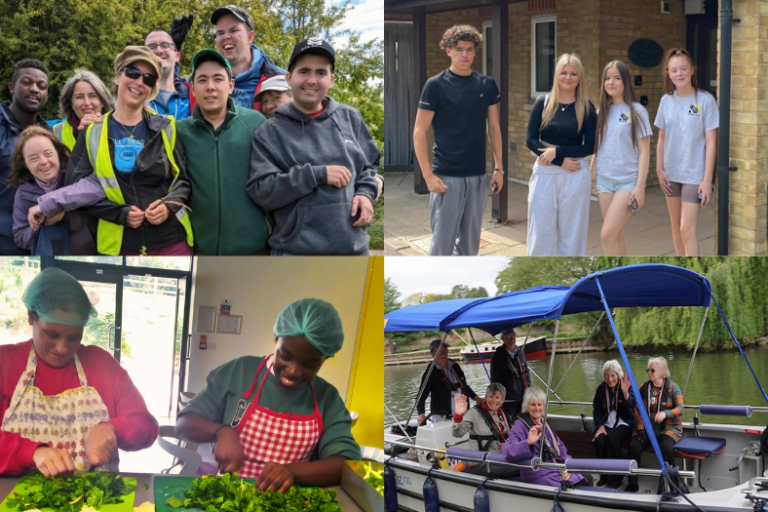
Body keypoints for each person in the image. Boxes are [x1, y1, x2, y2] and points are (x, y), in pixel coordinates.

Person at [175, 298, 359, 492]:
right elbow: (183, 424)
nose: (293, 371)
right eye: (285, 356)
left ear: (326, 358)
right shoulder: (239, 373)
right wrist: (221, 432)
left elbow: (346, 464)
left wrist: (293, 472)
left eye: (310, 364)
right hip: (230, 498)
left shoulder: (327, 398)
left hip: (291, 503)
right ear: (275, 339)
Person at [0, 267, 158, 475]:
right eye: (52, 334)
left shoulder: (101, 365)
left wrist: (112, 429)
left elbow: (146, 426)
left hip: (93, 501)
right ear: (31, 317)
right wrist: (31, 452)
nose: (62, 348)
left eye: (74, 337)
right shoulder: (6, 362)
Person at [247, 38, 380, 256]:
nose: (312, 80)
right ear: (289, 78)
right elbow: (262, 191)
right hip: (294, 254)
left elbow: (369, 166)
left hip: (353, 250)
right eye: (304, 71)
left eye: (320, 72)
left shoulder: (350, 117)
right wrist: (316, 175)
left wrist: (366, 193)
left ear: (331, 79)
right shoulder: (269, 132)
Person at [65, 46, 193, 256]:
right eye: (132, 72)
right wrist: (119, 213)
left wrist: (168, 205)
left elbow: (184, 181)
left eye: (148, 78)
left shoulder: (167, 127)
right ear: (117, 77)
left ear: (152, 89)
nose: (139, 82)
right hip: (119, 247)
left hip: (171, 243)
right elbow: (74, 189)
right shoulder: (92, 132)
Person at [413, 25, 504, 256]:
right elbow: (419, 132)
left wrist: (498, 168)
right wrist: (427, 176)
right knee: (441, 247)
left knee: (470, 246)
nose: (464, 54)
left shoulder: (486, 84)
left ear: (475, 52)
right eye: (459, 49)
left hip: (476, 176)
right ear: (448, 51)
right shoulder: (435, 85)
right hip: (445, 176)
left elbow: (493, 128)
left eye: (470, 49)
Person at [177, 49, 268, 255]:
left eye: (218, 79)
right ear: (192, 88)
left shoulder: (255, 123)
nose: (210, 87)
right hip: (201, 252)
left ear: (231, 85)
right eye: (202, 80)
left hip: (255, 252)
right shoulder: (180, 131)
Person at [525, 53, 597, 256]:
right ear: (557, 75)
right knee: (540, 234)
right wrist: (558, 161)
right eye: (564, 72)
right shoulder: (543, 103)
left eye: (573, 73)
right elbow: (530, 139)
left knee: (572, 235)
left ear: (579, 77)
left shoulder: (587, 108)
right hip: (545, 175)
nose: (568, 77)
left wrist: (559, 152)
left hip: (575, 173)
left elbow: (590, 146)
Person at [654, 48, 718, 256]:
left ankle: (695, 273)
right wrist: (659, 169)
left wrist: (707, 179)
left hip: (694, 175)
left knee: (686, 228)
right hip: (671, 174)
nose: (679, 74)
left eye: (683, 69)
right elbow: (661, 138)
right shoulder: (666, 101)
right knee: (675, 227)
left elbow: (711, 142)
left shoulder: (706, 101)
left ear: (692, 70)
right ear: (668, 74)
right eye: (674, 70)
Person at [8, 126, 105, 255]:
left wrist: (51, 203)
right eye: (34, 158)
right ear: (25, 163)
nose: (43, 161)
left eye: (48, 154)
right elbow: (20, 237)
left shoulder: (76, 176)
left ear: (58, 154)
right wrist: (48, 222)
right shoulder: (23, 194)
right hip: (53, 260)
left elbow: (100, 187)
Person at [590, 60, 652, 256]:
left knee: (606, 235)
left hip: (628, 182)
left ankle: (615, 279)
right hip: (605, 182)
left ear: (625, 80)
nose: (611, 82)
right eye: (607, 78)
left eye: (617, 77)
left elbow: (644, 151)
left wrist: (640, 186)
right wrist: (590, 175)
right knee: (616, 235)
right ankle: (625, 274)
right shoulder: (600, 113)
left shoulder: (637, 111)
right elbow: (598, 148)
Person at [0, 59, 51, 255]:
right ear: (12, 87)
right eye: (27, 82)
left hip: (36, 240)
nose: (35, 89)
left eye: (41, 86)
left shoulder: (49, 134)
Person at [503, 387, 590, 487]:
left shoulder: (544, 423)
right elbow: (507, 451)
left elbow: (560, 448)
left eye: (539, 404)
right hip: (538, 472)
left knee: (587, 477)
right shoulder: (520, 425)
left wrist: (567, 466)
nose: (537, 408)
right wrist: (527, 442)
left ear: (544, 406)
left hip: (554, 467)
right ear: (526, 406)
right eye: (533, 404)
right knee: (580, 483)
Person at [624, 357, 683, 493]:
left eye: (652, 370)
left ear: (662, 372)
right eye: (648, 370)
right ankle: (633, 484)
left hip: (668, 427)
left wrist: (665, 413)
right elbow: (637, 408)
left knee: (666, 447)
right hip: (647, 427)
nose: (649, 373)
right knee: (633, 447)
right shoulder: (644, 388)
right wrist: (640, 428)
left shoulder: (673, 388)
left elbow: (680, 409)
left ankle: (673, 484)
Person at [210, 5, 285, 111]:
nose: (226, 36)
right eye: (220, 33)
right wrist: (177, 48)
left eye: (233, 30)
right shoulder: (205, 82)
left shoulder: (281, 80)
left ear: (250, 37)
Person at [451, 383, 519, 478]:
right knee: (524, 468)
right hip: (482, 463)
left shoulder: (504, 414)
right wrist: (458, 415)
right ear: (486, 397)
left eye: (497, 397)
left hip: (501, 459)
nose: (493, 400)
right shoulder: (474, 413)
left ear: (502, 400)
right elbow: (457, 433)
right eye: (490, 396)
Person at [416, 339, 481, 425]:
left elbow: (463, 386)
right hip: (443, 416)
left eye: (445, 351)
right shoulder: (430, 373)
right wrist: (421, 413)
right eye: (439, 352)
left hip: (463, 412)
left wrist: (476, 397)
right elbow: (421, 396)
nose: (443, 354)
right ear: (432, 354)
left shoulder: (455, 366)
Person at [592, 360, 635, 488]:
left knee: (612, 438)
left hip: (625, 422)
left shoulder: (626, 385)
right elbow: (597, 409)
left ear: (618, 375)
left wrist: (625, 393)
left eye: (613, 375)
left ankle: (617, 476)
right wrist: (600, 426)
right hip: (607, 423)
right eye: (607, 375)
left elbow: (632, 404)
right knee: (599, 440)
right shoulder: (601, 389)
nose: (610, 379)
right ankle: (604, 475)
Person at [52, 70, 114, 150]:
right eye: (79, 97)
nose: (87, 103)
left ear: (102, 101)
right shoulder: (56, 132)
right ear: (71, 103)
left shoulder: (117, 127)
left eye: (92, 96)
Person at [145, 29, 192, 120]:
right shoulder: (135, 95)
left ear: (177, 56)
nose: (159, 51)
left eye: (165, 45)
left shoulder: (194, 93)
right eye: (152, 46)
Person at [490, 328, 530, 420]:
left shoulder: (520, 353)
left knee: (524, 421)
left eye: (513, 337)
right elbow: (495, 379)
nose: (511, 340)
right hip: (508, 399)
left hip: (522, 397)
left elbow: (526, 374)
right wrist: (497, 398)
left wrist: (528, 392)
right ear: (503, 339)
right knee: (511, 423)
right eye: (508, 338)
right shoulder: (497, 356)